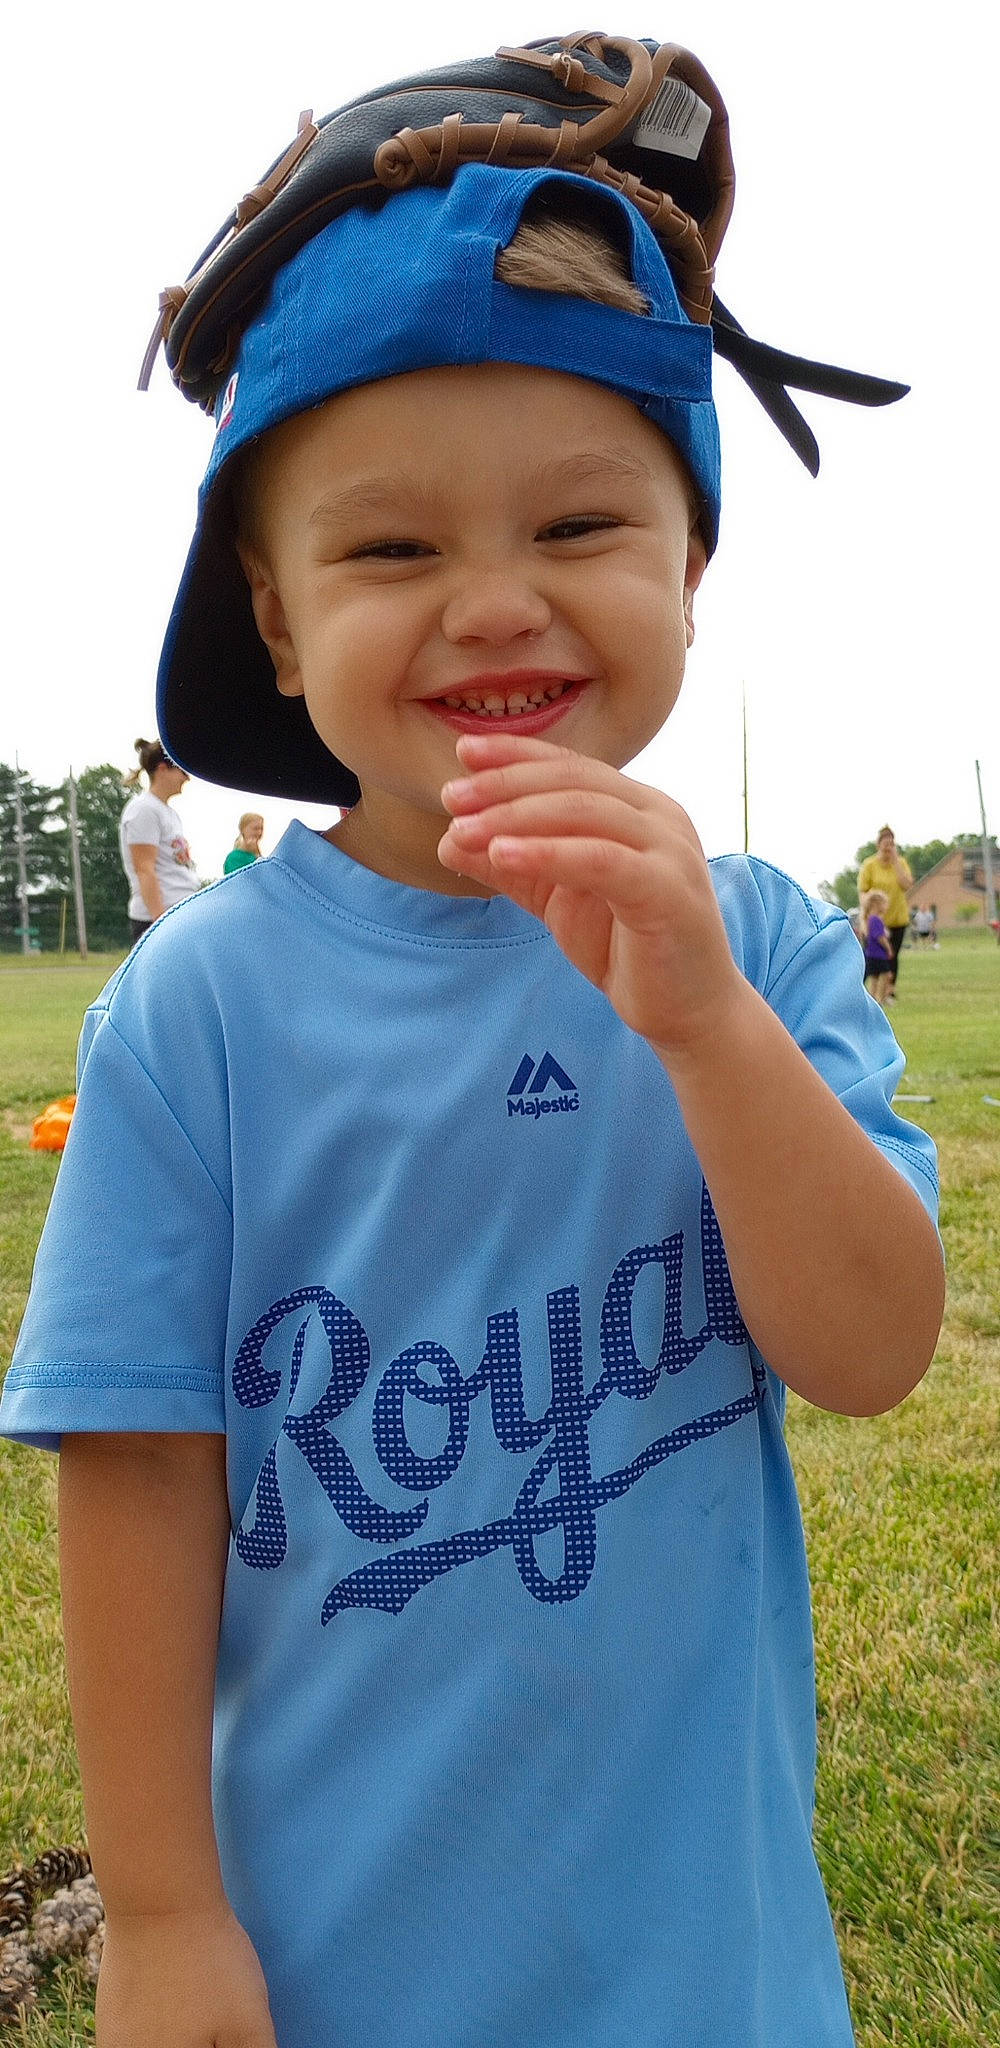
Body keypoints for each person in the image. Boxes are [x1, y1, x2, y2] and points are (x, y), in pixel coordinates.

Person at [0, 52, 945, 2048]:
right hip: (342, 1964)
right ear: (271, 621)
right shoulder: (201, 1011)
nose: (492, 601)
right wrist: (162, 1911)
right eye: (389, 553)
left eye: (579, 522)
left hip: (708, 1971)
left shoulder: (759, 943)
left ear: (687, 563)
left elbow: (866, 1353)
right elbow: (140, 1466)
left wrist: (700, 1022)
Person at [118, 736, 202, 942]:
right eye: (182, 771)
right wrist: (159, 924)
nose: (186, 778)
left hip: (177, 914)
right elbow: (144, 869)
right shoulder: (143, 809)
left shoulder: (169, 813)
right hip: (157, 919)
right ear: (162, 769)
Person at [857, 826, 913, 1000]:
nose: (888, 847)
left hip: (897, 917)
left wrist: (895, 861)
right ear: (878, 844)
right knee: (873, 957)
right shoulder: (869, 865)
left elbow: (906, 885)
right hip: (875, 920)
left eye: (891, 843)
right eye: (885, 842)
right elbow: (863, 892)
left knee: (892, 956)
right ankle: (866, 991)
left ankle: (889, 991)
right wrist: (868, 912)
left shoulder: (900, 863)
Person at [859, 888, 894, 1004]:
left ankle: (872, 1000)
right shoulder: (876, 920)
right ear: (876, 904)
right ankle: (880, 999)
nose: (886, 907)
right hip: (878, 955)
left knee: (874, 978)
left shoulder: (868, 920)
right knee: (886, 975)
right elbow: (880, 937)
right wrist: (888, 949)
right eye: (885, 903)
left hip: (871, 954)